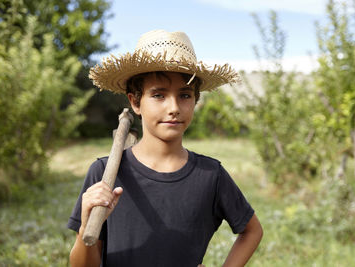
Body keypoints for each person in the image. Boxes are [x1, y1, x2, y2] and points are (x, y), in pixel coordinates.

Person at [68, 29, 263, 267]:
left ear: (195, 100)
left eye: (184, 95)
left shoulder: (211, 175)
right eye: (159, 95)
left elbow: (252, 231)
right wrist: (84, 230)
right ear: (135, 102)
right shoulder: (105, 174)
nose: (174, 107)